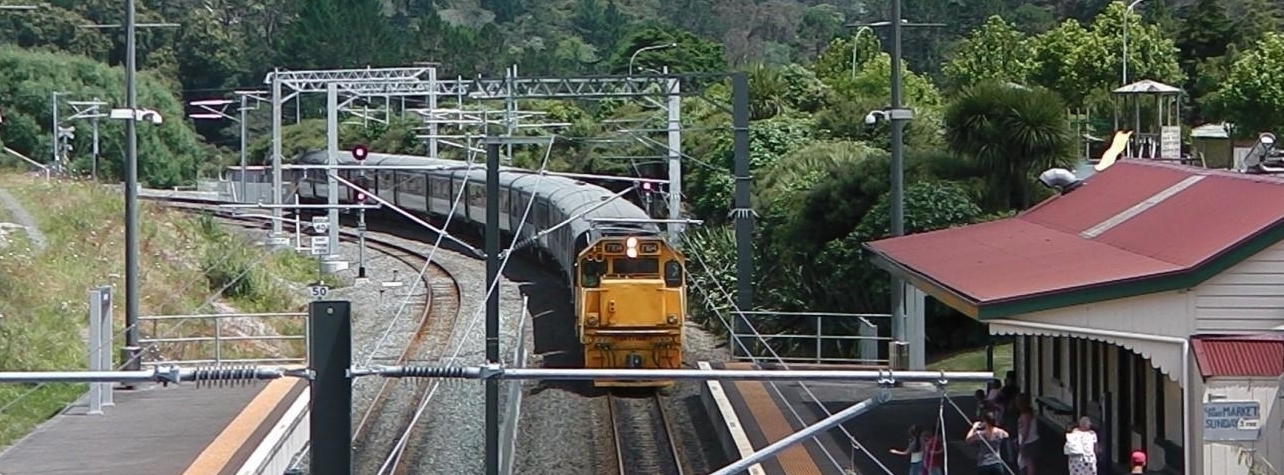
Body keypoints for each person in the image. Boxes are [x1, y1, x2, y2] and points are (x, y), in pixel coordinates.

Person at [967, 411, 1009, 475]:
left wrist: (973, 428)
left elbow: (968, 439)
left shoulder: (981, 434)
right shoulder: (1000, 432)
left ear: (985, 422)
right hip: (997, 463)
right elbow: (1007, 435)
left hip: (984, 464)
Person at [1015, 394, 1039, 475]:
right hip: (1027, 439)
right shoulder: (1027, 413)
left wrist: (1022, 443)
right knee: (1025, 461)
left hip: (1029, 440)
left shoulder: (1026, 415)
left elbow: (1026, 429)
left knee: (1029, 462)